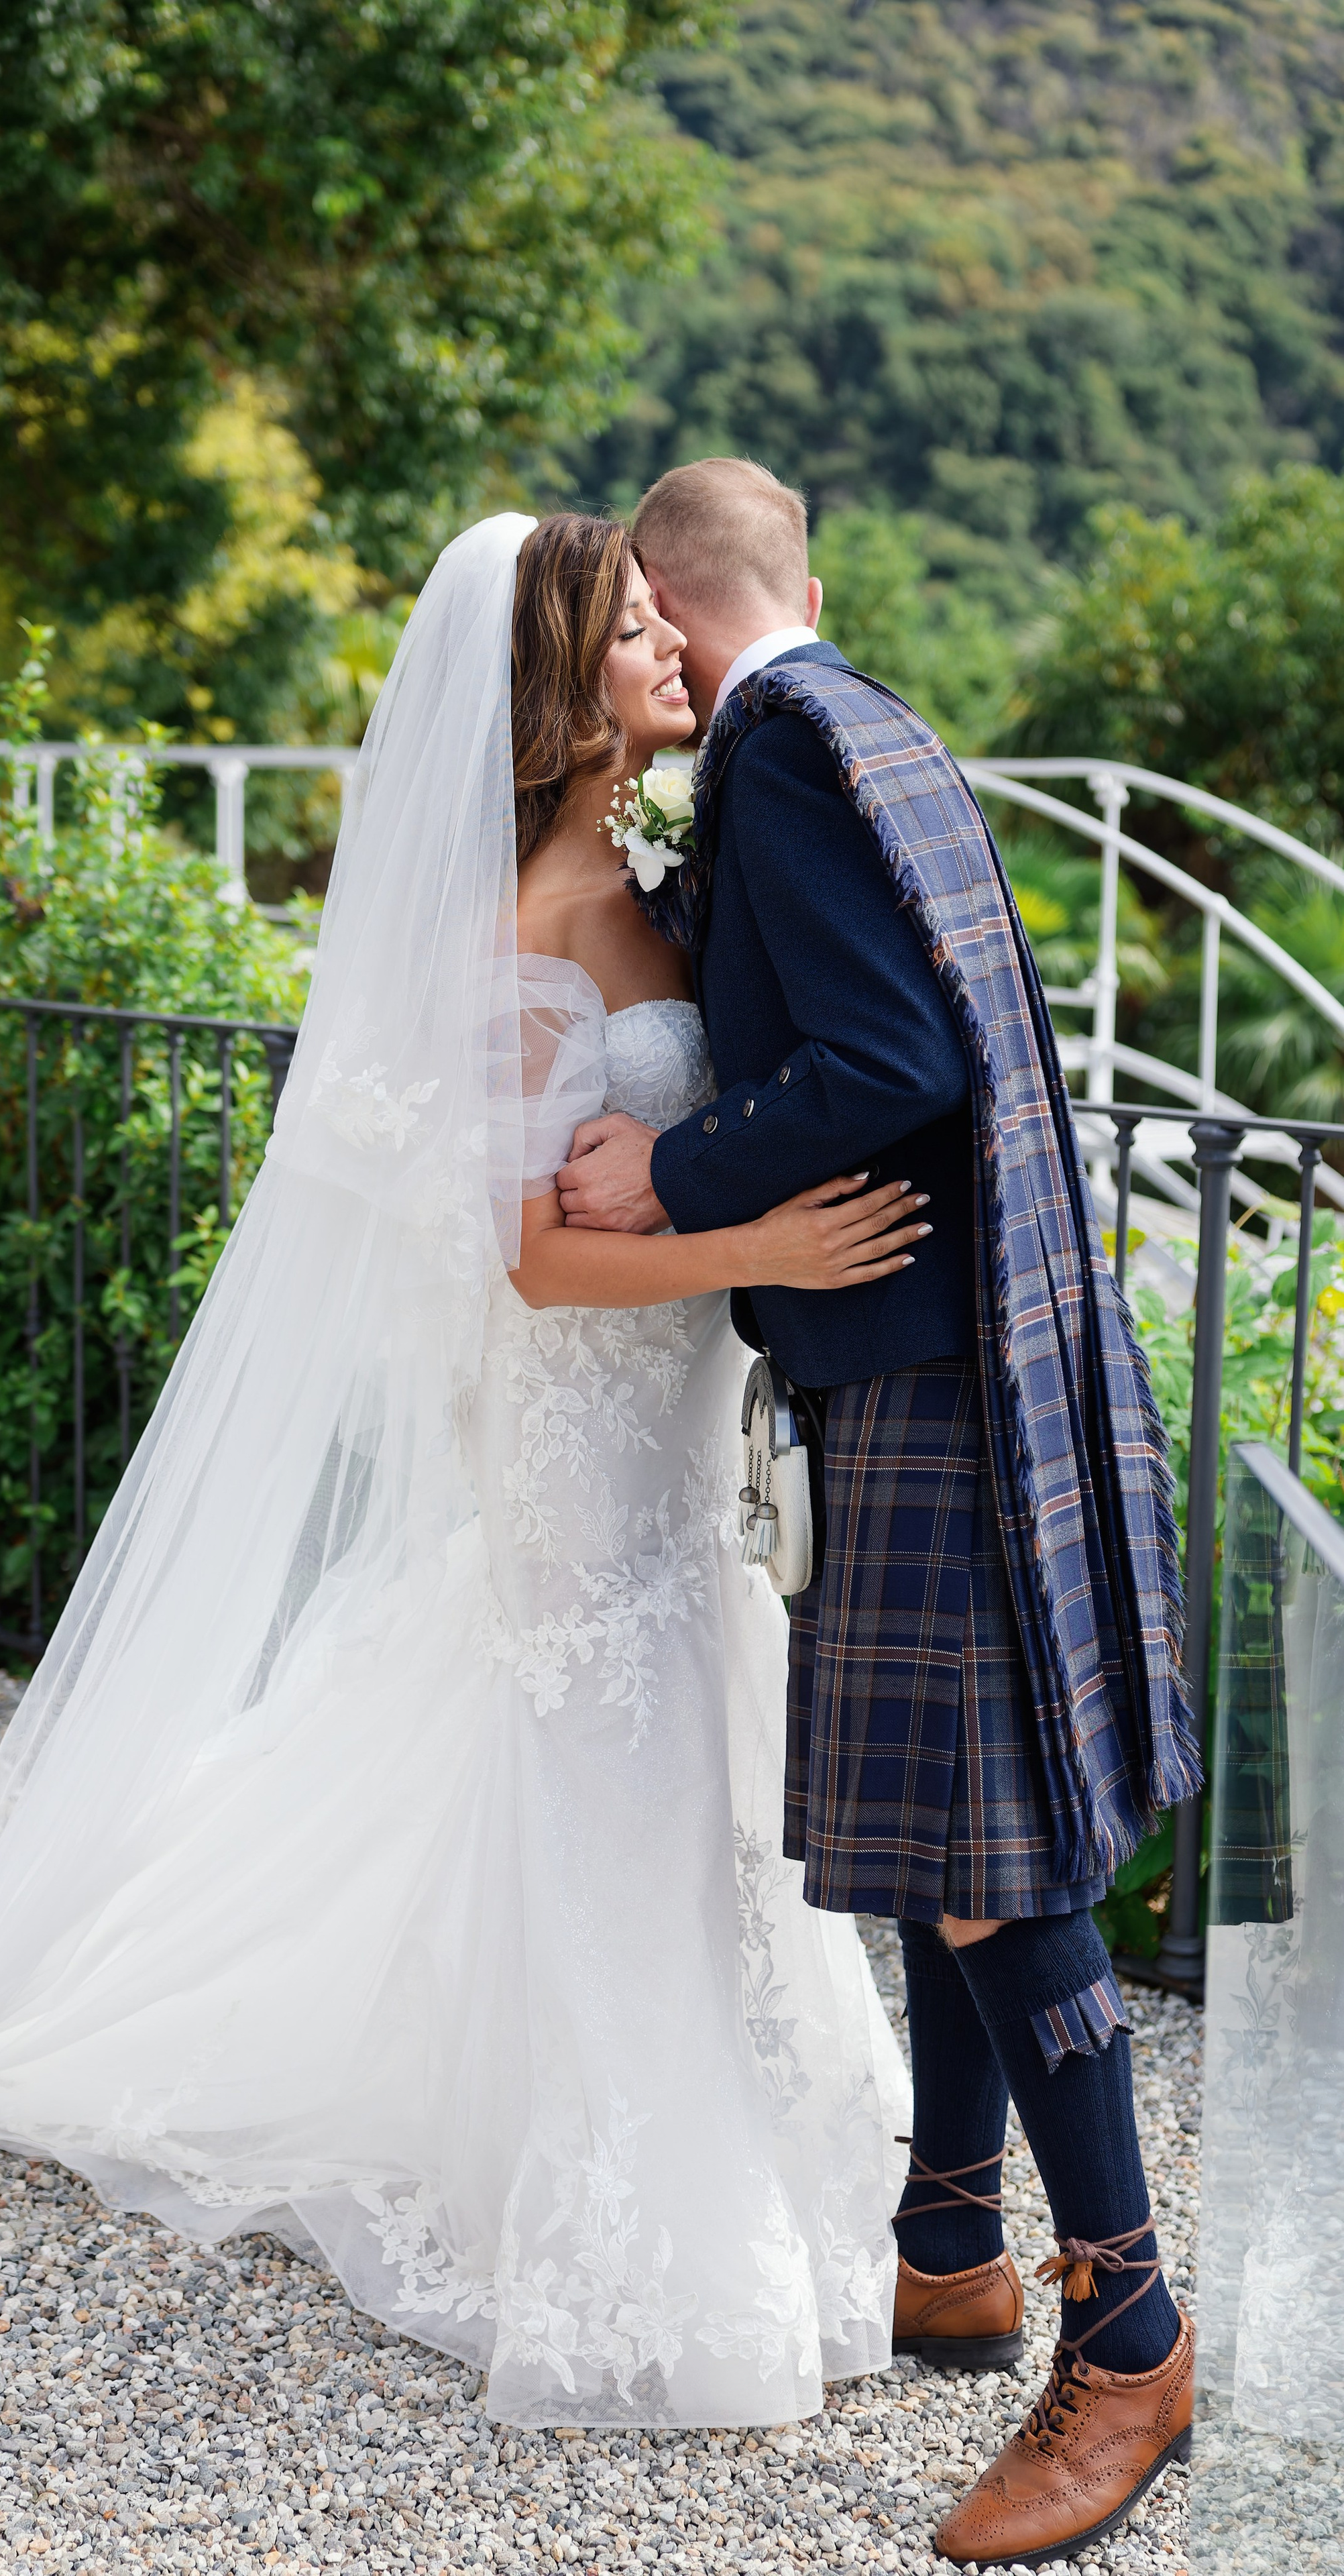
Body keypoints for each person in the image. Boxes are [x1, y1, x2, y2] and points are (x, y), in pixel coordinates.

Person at [0, 509, 920, 2431]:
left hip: (668, 1440)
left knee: (697, 1787)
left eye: (674, 619)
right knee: (615, 1775)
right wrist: (761, 1252)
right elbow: (530, 1255)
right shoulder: (516, 939)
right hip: (576, 1449)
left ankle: (757, 2153)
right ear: (561, 683)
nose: (675, 649)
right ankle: (629, 2220)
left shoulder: (660, 876)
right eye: (638, 627)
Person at [555, 455, 1202, 2558]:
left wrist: (680, 1169)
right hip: (950, 1356)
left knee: (993, 1872)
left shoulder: (791, 756)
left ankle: (1131, 2352)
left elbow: (891, 1054)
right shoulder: (874, 718)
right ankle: (950, 2243)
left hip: (924, 1373)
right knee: (947, 1841)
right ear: (803, 580)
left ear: (666, 597)